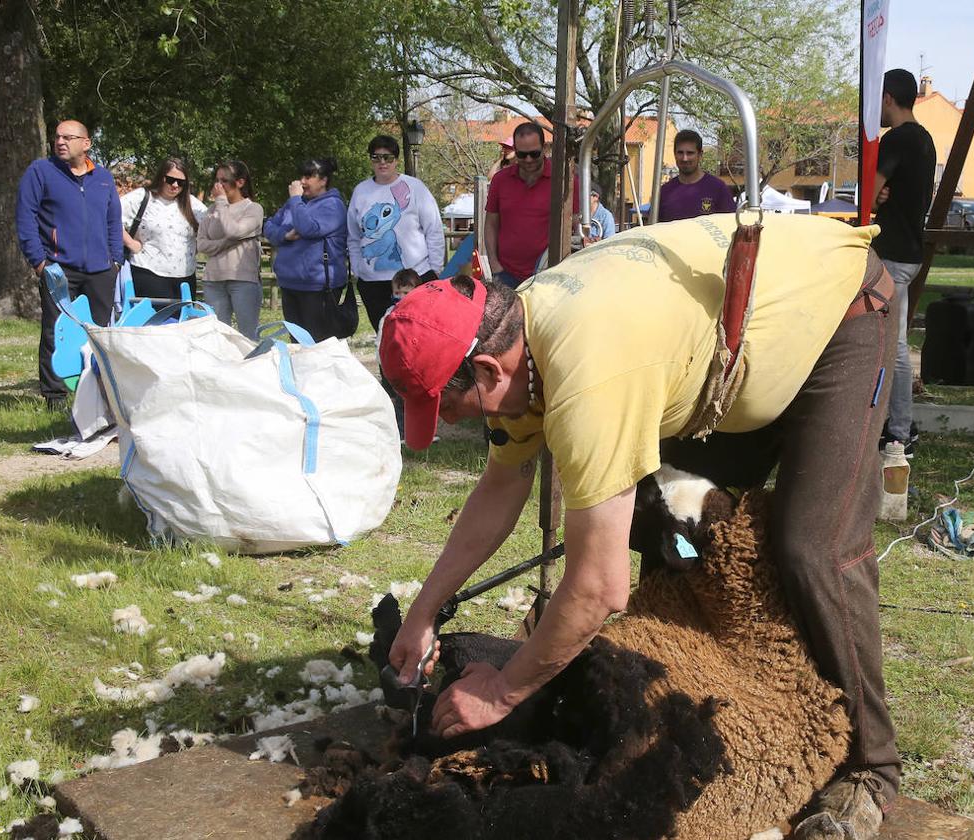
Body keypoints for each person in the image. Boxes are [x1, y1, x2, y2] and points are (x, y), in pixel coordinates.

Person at [379, 213, 901, 838]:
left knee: (813, 546)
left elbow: (600, 587)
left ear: (490, 372)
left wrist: (501, 694)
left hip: (836, 308)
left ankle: (872, 769)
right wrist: (423, 613)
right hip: (735, 333)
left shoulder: (587, 375)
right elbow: (500, 487)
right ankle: (695, 699)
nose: (453, 425)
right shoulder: (516, 341)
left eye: (451, 408)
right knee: (674, 539)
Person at [16, 119, 122, 410]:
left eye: (68, 137)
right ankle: (55, 397)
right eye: (57, 137)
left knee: (98, 333)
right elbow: (26, 219)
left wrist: (115, 260)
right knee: (56, 330)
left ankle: (97, 394)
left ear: (85, 143)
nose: (60, 141)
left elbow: (113, 221)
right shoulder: (41, 172)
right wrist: (40, 263)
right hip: (59, 270)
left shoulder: (103, 177)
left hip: (101, 270)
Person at [871, 69, 936, 457]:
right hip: (909, 250)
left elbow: (871, 190)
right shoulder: (925, 140)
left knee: (893, 345)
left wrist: (873, 199)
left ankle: (898, 430)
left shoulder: (896, 139)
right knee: (892, 343)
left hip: (893, 253)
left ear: (889, 98)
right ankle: (894, 424)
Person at [347, 135, 445, 331]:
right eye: (376, 157)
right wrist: (358, 268)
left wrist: (435, 269)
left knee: (417, 334)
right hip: (373, 282)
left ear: (396, 160)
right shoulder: (361, 191)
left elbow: (433, 229)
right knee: (384, 336)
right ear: (371, 160)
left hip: (414, 278)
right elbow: (353, 235)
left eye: (388, 158)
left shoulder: (415, 188)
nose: (382, 162)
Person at [263, 158, 348, 342]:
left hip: (317, 287)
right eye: (301, 176)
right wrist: (284, 236)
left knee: (317, 345)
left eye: (309, 176)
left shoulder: (333, 205)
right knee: (297, 343)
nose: (302, 181)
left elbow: (307, 228)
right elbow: (268, 226)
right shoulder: (294, 203)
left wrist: (295, 200)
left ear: (324, 180)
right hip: (289, 283)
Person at [484, 122, 575, 288]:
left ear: (544, 149)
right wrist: (494, 264)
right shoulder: (501, 180)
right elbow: (491, 224)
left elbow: (575, 222)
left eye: (534, 154)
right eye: (522, 154)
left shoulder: (563, 181)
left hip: (550, 275)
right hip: (506, 275)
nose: (528, 160)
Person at [120, 156, 207, 300]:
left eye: (180, 182)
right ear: (161, 177)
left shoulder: (193, 204)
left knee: (183, 322)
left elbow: (213, 227)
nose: (175, 185)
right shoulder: (142, 197)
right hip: (148, 273)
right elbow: (110, 217)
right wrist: (130, 243)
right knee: (153, 322)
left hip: (184, 278)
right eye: (170, 179)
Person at [198, 160, 264, 339]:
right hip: (213, 281)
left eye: (224, 181)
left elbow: (233, 230)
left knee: (248, 337)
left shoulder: (253, 209)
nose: (218, 186)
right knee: (218, 337)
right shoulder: (212, 210)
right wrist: (226, 243)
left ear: (240, 182)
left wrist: (221, 202)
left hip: (242, 280)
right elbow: (202, 245)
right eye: (216, 180)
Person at [656, 129, 736, 223]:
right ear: (675, 154)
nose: (685, 158)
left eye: (690, 153)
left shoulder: (718, 189)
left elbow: (730, 226)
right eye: (680, 153)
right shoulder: (664, 192)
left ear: (700, 155)